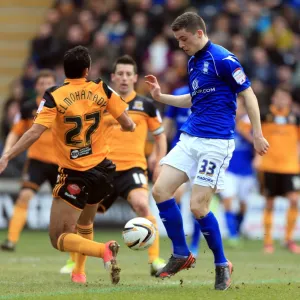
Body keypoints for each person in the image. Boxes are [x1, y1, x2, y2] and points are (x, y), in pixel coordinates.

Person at [144, 12, 269, 290]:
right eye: (177, 40)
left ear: (199, 33)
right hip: (190, 138)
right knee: (160, 191)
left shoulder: (224, 59)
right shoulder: (193, 61)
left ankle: (221, 263)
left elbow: (248, 94)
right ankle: (180, 253)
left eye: (184, 39)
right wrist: (161, 97)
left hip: (216, 143)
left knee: (198, 206)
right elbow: (194, 97)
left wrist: (258, 134)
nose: (180, 45)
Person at [0, 46, 136, 285]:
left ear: (64, 71)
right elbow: (128, 124)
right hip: (103, 170)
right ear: (87, 69)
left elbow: (34, 132)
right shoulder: (102, 88)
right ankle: (79, 274)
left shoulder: (55, 95)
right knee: (86, 223)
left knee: (59, 237)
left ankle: (102, 250)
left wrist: (8, 154)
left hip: (75, 174)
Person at [60, 54, 167, 277]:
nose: (125, 78)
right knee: (83, 219)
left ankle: (155, 260)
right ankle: (77, 267)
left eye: (129, 74)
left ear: (136, 77)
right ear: (113, 77)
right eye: (120, 74)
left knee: (142, 205)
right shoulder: (100, 102)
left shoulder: (145, 105)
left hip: (133, 168)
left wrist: (160, 160)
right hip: (102, 167)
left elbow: (160, 135)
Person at [1, 70, 58, 251]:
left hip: (61, 162)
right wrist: (7, 153)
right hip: (37, 162)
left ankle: (73, 253)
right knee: (24, 196)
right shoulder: (27, 109)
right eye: (41, 83)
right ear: (36, 86)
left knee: (67, 205)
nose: (45, 86)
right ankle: (11, 240)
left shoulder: (63, 105)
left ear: (54, 84)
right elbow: (15, 132)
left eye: (48, 82)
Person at [255, 86, 300, 254]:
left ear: (289, 100)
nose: (281, 100)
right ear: (274, 98)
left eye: (284, 97)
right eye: (278, 97)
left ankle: (288, 239)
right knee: (269, 202)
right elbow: (252, 134)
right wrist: (257, 156)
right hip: (269, 165)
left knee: (294, 200)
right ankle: (268, 242)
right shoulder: (265, 116)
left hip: (290, 167)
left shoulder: (295, 118)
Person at [163, 85, 201, 257]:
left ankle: (195, 244)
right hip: (181, 150)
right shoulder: (178, 93)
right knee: (175, 195)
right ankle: (179, 243)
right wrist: (161, 149)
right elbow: (168, 123)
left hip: (202, 153)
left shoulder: (211, 91)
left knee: (198, 203)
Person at [220, 97, 256, 246]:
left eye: (239, 106)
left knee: (243, 204)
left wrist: (244, 130)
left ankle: (238, 229)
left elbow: (258, 143)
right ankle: (232, 234)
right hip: (229, 169)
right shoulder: (224, 122)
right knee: (228, 200)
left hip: (247, 170)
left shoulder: (251, 123)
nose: (236, 109)